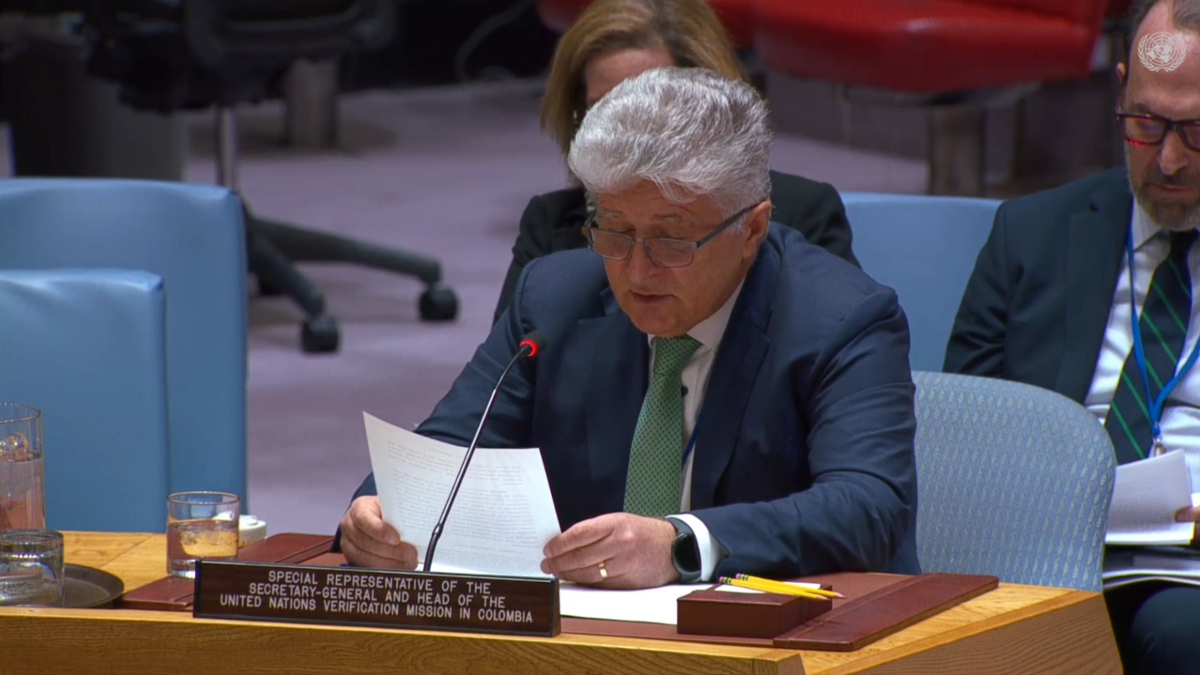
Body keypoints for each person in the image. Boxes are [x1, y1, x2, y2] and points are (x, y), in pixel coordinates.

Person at [338, 67, 918, 589]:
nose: (638, 271)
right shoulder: (554, 298)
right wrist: (380, 510)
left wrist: (680, 544)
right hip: (590, 636)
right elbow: (449, 449)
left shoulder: (841, 320)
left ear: (751, 229)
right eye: (614, 230)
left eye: (671, 239)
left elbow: (868, 506)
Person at [945, 1, 1200, 672]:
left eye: (1197, 131)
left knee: (1180, 633)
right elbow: (958, 432)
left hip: (1189, 571)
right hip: (1041, 549)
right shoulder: (1030, 233)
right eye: (1145, 123)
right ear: (1120, 89)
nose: (1169, 159)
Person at [492, 0, 856, 324]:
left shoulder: (803, 215)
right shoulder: (549, 224)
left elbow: (846, 351)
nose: (622, 138)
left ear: (711, 108)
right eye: (600, 111)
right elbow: (505, 370)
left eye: (647, 113)